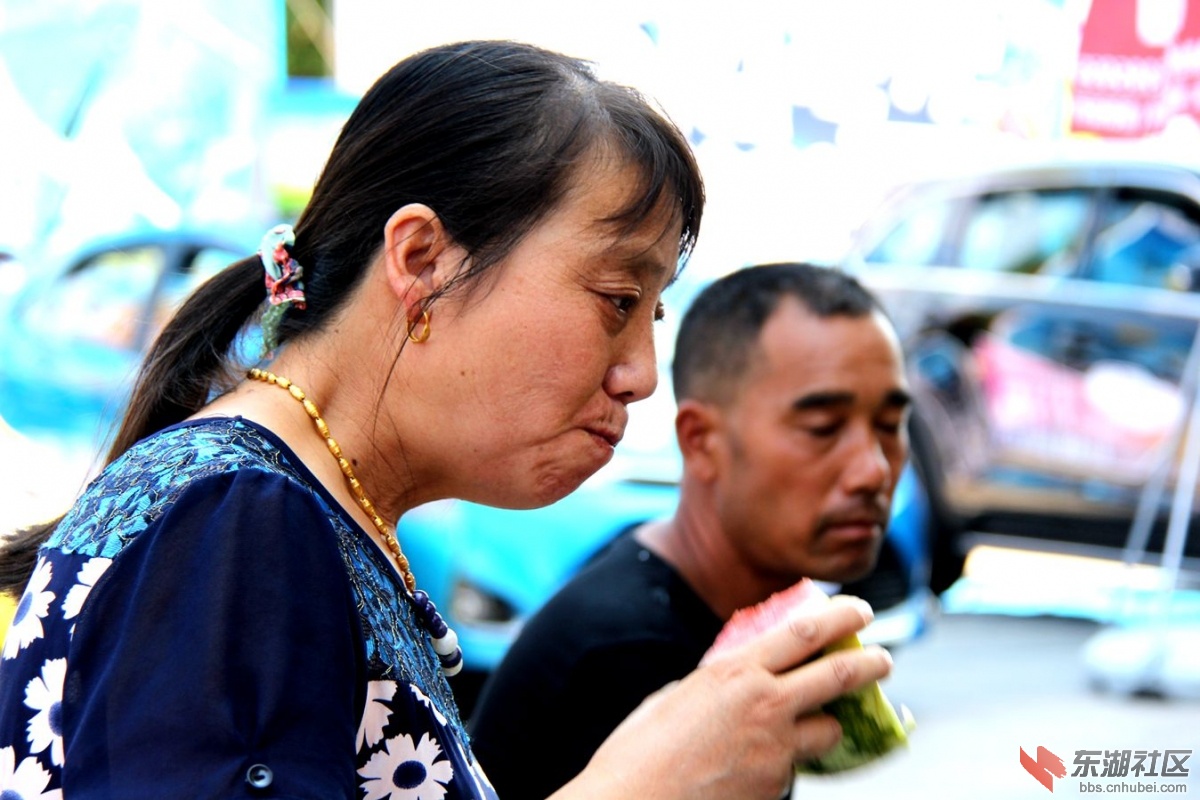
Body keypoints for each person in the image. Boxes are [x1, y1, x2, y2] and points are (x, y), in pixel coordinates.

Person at [0, 42, 891, 800]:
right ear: (421, 258)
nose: (641, 377)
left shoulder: (287, 509)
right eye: (616, 299)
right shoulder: (238, 519)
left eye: (652, 315)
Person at [470, 262, 912, 800]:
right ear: (701, 441)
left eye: (889, 426)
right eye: (823, 428)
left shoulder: (681, 589)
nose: (873, 470)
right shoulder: (625, 658)